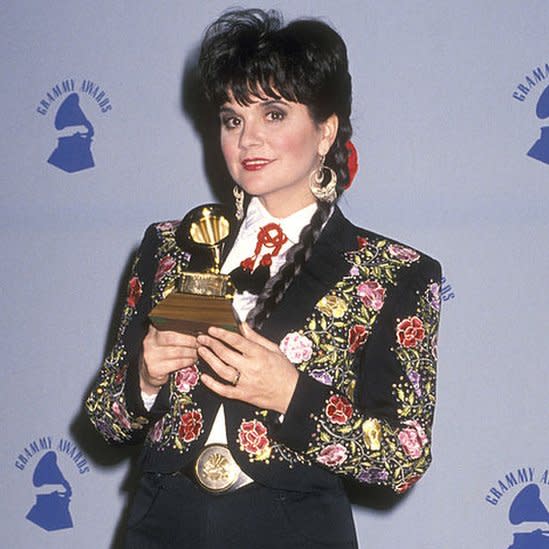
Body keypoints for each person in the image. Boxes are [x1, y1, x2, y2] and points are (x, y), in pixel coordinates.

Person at [86, 8, 442, 548]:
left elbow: (404, 457)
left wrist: (292, 394)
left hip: (294, 528)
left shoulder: (394, 273)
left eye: (273, 115)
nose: (247, 139)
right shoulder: (171, 246)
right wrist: (145, 379)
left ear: (325, 131)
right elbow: (107, 422)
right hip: (162, 524)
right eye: (233, 119)